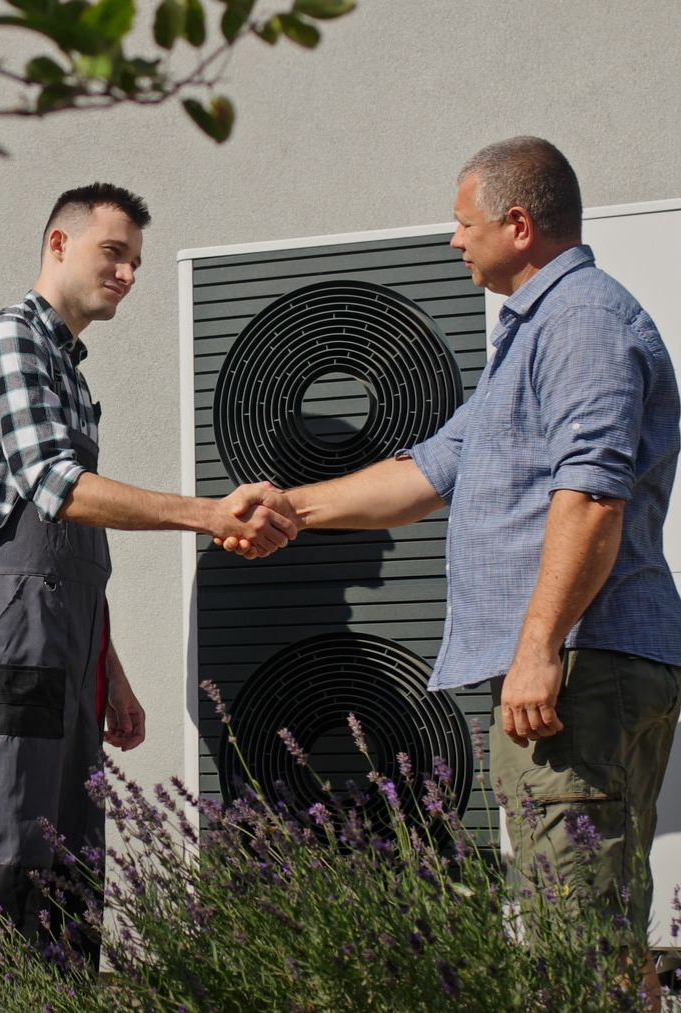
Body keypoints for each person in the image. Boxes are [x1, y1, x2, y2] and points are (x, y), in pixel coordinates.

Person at [220, 137, 681, 1004]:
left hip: (580, 666)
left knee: (574, 939)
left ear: (518, 223)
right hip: (579, 666)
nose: (452, 242)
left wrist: (539, 643)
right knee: (592, 928)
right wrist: (288, 508)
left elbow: (591, 496)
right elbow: (427, 471)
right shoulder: (535, 333)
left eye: (463, 223)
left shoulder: (580, 322)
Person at [0, 182, 296, 950]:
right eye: (114, 253)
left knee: (71, 861)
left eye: (135, 260)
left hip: (66, 639)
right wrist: (205, 512)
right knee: (3, 853)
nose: (129, 273)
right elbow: (58, 489)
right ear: (58, 244)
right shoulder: (12, 341)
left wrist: (112, 670)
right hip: (8, 633)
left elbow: (75, 553)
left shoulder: (68, 367)